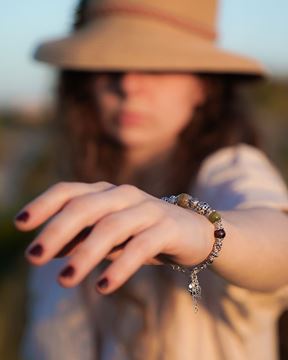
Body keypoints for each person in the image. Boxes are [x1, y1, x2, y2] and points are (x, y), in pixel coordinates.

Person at [14, 0, 288, 359]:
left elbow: (277, 239)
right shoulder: (66, 201)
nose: (128, 85)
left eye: (158, 65)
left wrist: (205, 233)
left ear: (202, 86)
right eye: (108, 63)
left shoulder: (230, 170)